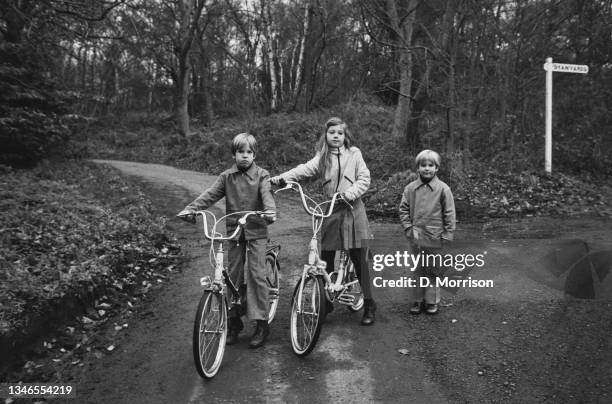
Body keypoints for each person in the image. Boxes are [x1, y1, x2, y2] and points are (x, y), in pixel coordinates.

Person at [270, 117, 377, 326]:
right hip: (332, 208)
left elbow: (364, 178)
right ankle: (326, 301)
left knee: (358, 257)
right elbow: (304, 169)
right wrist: (282, 178)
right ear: (325, 136)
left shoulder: (354, 154)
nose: (336, 136)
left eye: (340, 133)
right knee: (326, 254)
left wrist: (351, 193)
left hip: (353, 208)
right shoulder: (323, 157)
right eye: (332, 132)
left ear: (345, 136)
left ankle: (370, 304)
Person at [178, 133, 276, 348]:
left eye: (249, 152)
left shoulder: (262, 175)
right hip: (234, 232)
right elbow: (210, 195)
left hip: (256, 230)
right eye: (241, 152)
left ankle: (261, 323)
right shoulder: (226, 177)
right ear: (234, 154)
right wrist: (191, 209)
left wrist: (269, 211)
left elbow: (267, 195)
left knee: (257, 274)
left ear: (254, 154)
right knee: (231, 275)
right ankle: (234, 322)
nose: (245, 156)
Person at [399, 149, 456, 315]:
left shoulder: (443, 189)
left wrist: (448, 234)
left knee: (432, 270)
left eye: (430, 165)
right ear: (418, 167)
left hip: (435, 236)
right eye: (423, 165)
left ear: (436, 168)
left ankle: (432, 301)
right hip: (415, 236)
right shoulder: (410, 189)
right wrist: (408, 228)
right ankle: (417, 300)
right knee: (418, 270)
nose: (427, 168)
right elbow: (403, 209)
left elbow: (450, 213)